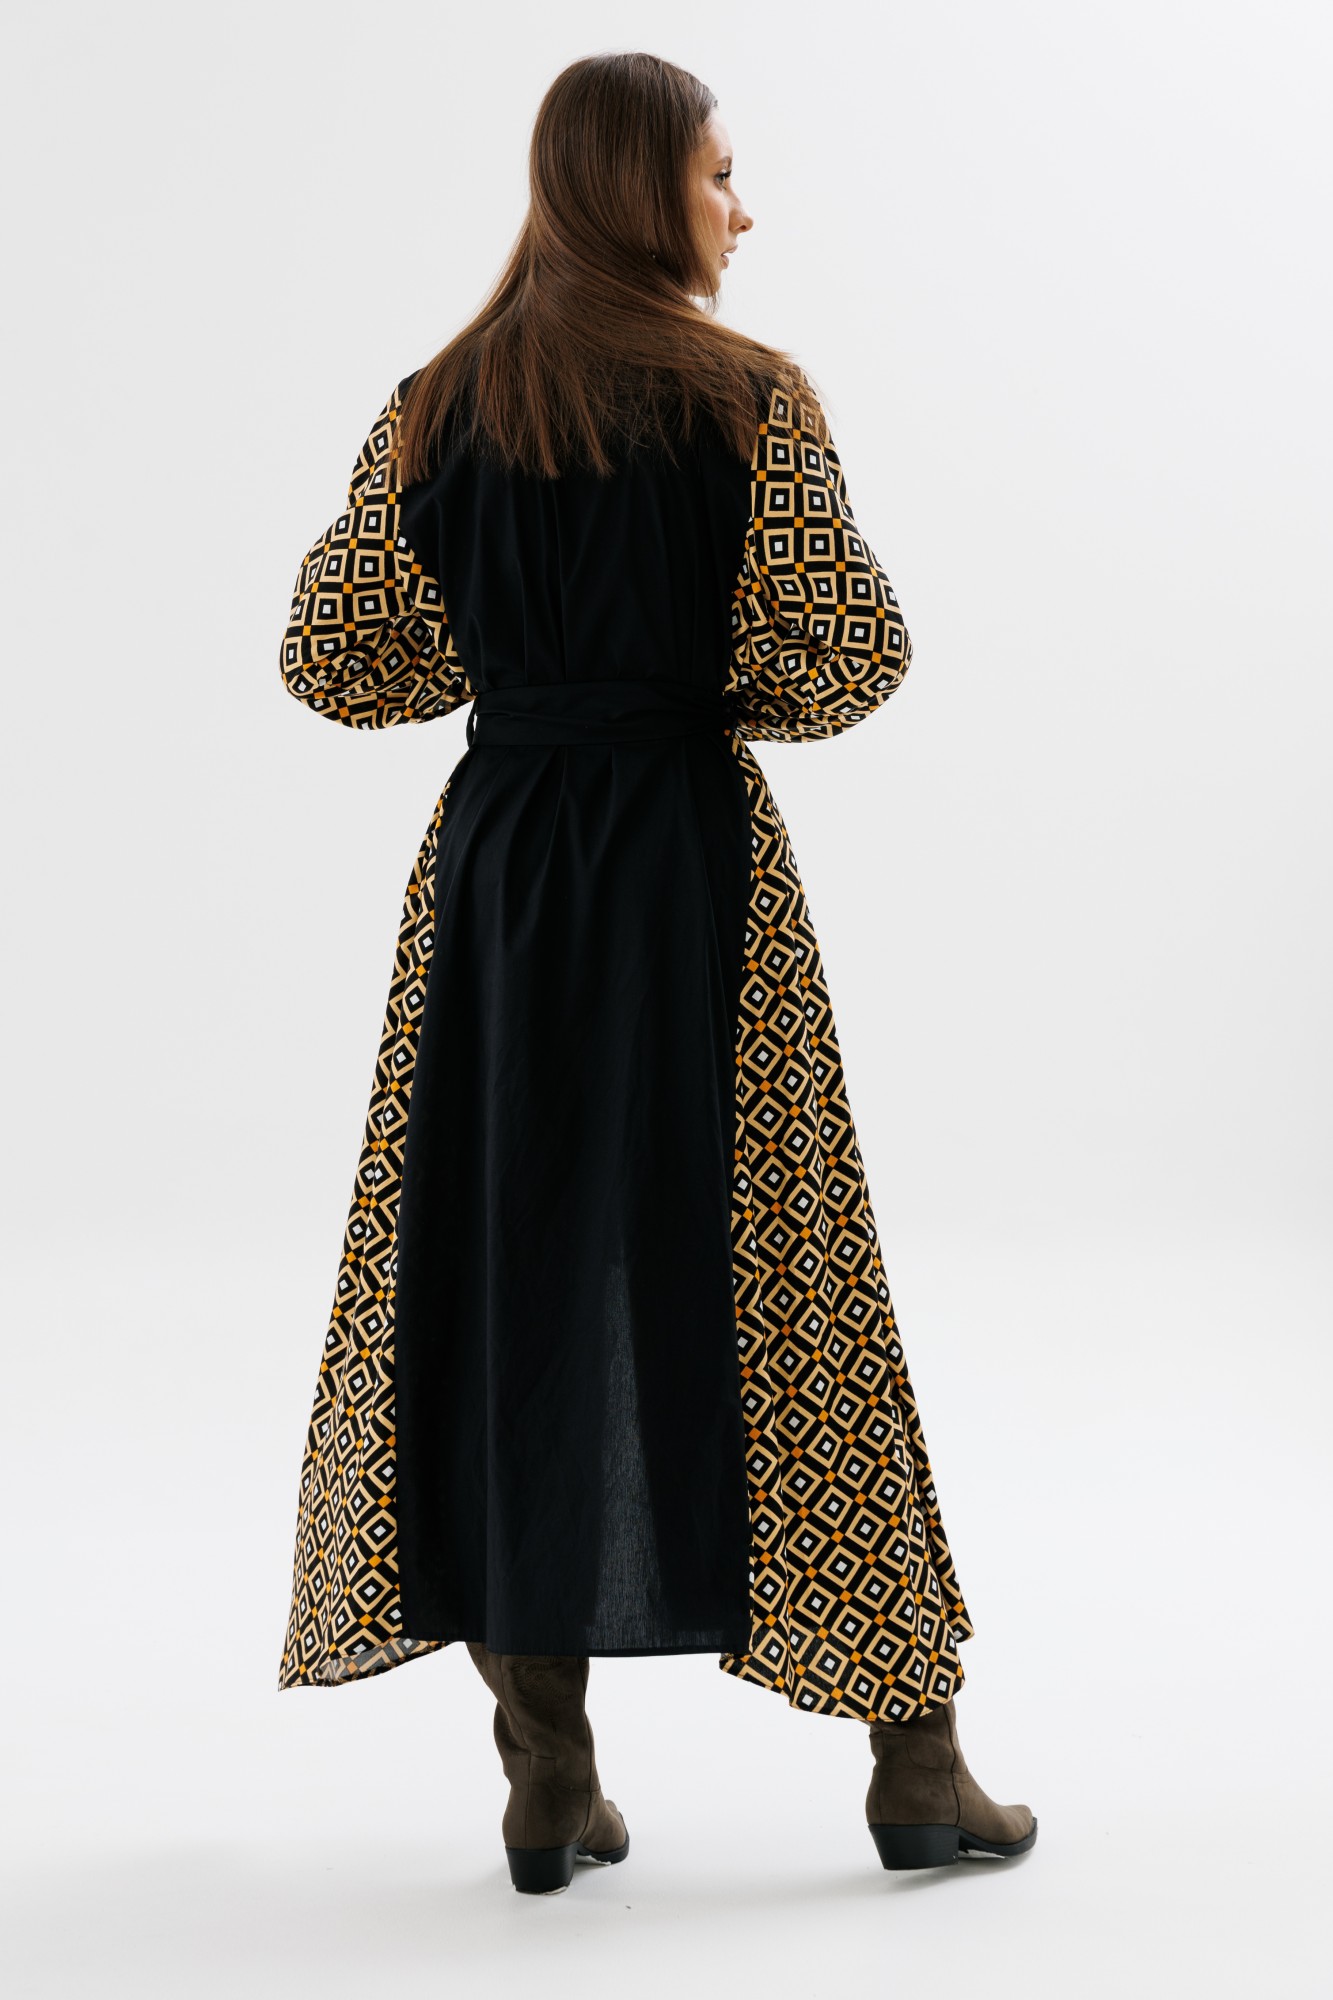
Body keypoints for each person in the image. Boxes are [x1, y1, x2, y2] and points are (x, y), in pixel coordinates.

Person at [274, 51, 1036, 1895]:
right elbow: (847, 655)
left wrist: (530, 684)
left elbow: (338, 661)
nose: (740, 210)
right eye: (717, 175)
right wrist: (686, 697)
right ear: (642, 188)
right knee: (782, 1265)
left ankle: (546, 1783)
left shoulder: (434, 406)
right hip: (689, 868)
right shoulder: (746, 396)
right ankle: (915, 1765)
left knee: (505, 1271)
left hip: (505, 873)